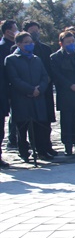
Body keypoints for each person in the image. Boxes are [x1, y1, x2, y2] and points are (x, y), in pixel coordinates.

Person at [4, 32, 49, 162]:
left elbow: (44, 77)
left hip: (37, 98)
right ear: (18, 44)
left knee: (38, 127)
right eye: (26, 42)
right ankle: (24, 152)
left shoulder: (36, 59)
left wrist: (39, 89)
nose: (30, 44)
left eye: (31, 42)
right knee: (22, 127)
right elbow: (14, 79)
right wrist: (30, 89)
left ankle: (40, 151)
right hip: (21, 99)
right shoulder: (11, 59)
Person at [22, 20, 57, 157]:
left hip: (45, 89)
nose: (35, 33)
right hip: (29, 91)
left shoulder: (45, 49)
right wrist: (33, 88)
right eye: (32, 30)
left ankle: (46, 146)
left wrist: (44, 84)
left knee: (45, 120)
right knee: (31, 122)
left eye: (37, 30)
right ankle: (33, 148)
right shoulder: (19, 50)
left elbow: (49, 71)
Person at [1, 20, 18, 149]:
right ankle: (12, 139)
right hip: (6, 87)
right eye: (15, 29)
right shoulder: (3, 48)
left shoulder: (16, 45)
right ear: (8, 32)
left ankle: (15, 138)